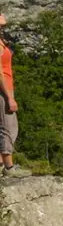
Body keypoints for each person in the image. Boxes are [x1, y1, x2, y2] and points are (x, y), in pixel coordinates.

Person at [0, 14, 15, 175]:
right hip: (3, 90)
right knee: (7, 127)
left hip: (7, 88)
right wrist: (9, 97)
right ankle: (9, 167)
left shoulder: (1, 42)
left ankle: (0, 163)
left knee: (10, 126)